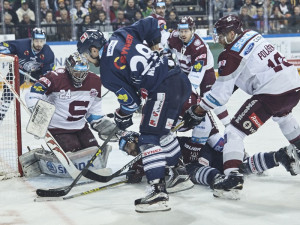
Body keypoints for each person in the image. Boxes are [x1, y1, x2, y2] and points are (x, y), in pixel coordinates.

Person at [77, 17, 192, 212]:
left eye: (86, 55)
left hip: (162, 88)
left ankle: (157, 191)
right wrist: (155, 44)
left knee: (148, 136)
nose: (87, 59)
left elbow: (131, 103)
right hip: (180, 79)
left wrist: (121, 116)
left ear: (94, 50)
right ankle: (179, 174)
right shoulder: (120, 34)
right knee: (161, 131)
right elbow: (151, 23)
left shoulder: (106, 72)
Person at [183, 14, 300, 199]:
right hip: (294, 86)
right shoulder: (253, 35)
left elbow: (220, 96)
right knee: (284, 116)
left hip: (272, 92)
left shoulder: (230, 54)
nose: (219, 39)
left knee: (234, 132)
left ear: (231, 34)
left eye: (221, 35)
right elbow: (244, 73)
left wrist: (198, 110)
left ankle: (232, 179)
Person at [22, 52, 117, 178]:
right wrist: (40, 116)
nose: (80, 76)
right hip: (58, 128)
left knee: (95, 153)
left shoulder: (95, 81)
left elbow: (94, 110)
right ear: (69, 68)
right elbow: (32, 94)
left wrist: (101, 123)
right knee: (74, 154)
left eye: (84, 72)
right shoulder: (54, 77)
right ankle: (40, 159)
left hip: (81, 127)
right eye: (77, 72)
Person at [0, 28, 55, 124]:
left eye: (41, 41)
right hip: (17, 71)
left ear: (45, 41)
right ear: (32, 40)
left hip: (37, 73)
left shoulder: (48, 53)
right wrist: (4, 50)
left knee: (47, 91)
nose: (39, 44)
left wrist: (44, 84)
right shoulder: (22, 45)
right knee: (8, 93)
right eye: (36, 41)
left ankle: (43, 117)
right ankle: (1, 114)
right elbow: (4, 46)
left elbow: (48, 74)